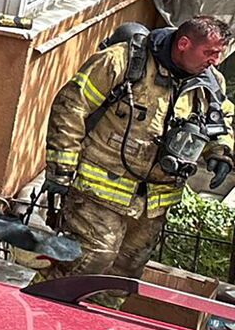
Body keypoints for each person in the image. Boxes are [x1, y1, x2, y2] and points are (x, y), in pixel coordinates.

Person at [40, 17, 232, 284]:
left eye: (219, 54)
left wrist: (220, 152)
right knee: (89, 260)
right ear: (184, 44)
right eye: (209, 52)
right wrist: (61, 168)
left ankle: (97, 313)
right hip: (99, 187)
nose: (215, 61)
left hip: (154, 202)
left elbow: (221, 122)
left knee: (124, 276)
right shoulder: (122, 61)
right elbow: (71, 106)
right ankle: (38, 306)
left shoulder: (211, 82)